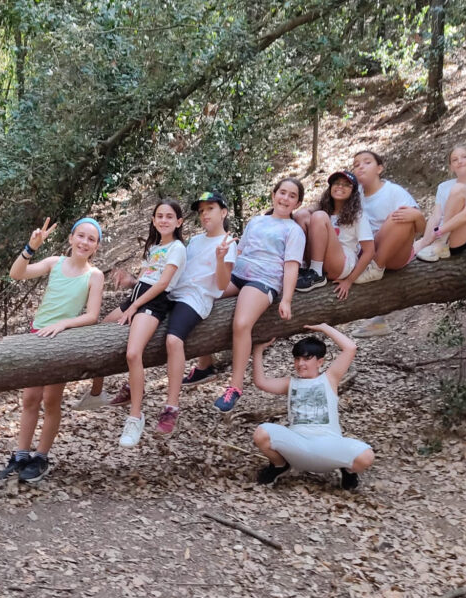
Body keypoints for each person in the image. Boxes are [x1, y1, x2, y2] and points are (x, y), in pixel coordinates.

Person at [0, 217, 105, 483]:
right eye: (81, 236)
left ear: (96, 246)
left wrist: (63, 324)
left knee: (51, 400)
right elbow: (17, 274)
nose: (84, 242)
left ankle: (41, 457)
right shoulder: (55, 263)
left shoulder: (95, 275)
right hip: (38, 335)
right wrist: (30, 248)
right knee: (30, 398)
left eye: (91, 239)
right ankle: (21, 455)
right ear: (71, 238)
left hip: (61, 341)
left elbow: (92, 315)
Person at [79, 200, 186, 447]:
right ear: (153, 220)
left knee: (133, 353)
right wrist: (130, 282)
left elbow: (162, 284)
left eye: (169, 216)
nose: (164, 220)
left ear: (179, 222)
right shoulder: (155, 247)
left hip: (153, 303)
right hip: (137, 298)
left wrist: (135, 307)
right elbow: (147, 279)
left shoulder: (178, 248)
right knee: (101, 332)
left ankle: (135, 417)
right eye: (159, 216)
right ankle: (96, 393)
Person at [212, 177, 305, 413]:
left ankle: (235, 387)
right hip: (238, 273)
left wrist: (286, 299)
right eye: (282, 192)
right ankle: (204, 366)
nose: (285, 198)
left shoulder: (294, 230)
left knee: (242, 323)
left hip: (264, 279)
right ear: (274, 195)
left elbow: (291, 266)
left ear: (297, 203)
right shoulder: (256, 221)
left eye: (292, 196)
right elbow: (240, 251)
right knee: (202, 296)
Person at [251, 323, 373, 490]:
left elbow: (350, 348)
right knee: (261, 433)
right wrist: (258, 350)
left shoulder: (329, 379)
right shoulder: (290, 383)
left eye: (307, 359)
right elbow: (261, 382)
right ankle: (279, 466)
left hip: (328, 447)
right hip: (297, 446)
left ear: (320, 361)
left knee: (366, 456)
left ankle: (348, 471)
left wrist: (324, 327)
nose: (300, 363)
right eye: (297, 359)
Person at [154, 191, 236, 435]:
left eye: (210, 209)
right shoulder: (195, 241)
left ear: (223, 212)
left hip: (196, 298)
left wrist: (220, 259)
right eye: (201, 211)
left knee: (173, 340)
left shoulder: (228, 244)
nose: (204, 214)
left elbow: (222, 285)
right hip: (174, 293)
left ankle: (171, 407)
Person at [349, 151, 425, 337]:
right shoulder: (353, 195)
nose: (360, 167)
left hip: (394, 253)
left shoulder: (393, 191)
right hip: (366, 251)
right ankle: (377, 320)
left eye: (367, 162)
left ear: (379, 168)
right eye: (356, 165)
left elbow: (420, 228)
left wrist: (417, 216)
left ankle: (376, 267)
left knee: (400, 216)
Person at [294, 171, 376, 300]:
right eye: (336, 183)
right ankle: (303, 268)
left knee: (319, 216)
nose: (340, 186)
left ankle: (316, 274)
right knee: (301, 215)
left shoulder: (358, 216)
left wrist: (349, 281)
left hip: (341, 263)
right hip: (320, 258)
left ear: (353, 192)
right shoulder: (324, 209)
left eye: (346, 185)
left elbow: (369, 251)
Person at [414, 144, 466, 262]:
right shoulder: (443, 186)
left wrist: (438, 232)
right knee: (412, 250)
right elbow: (436, 216)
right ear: (451, 167)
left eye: (464, 157)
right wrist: (425, 241)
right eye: (455, 160)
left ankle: (441, 243)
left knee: (459, 189)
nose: (460, 161)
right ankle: (437, 244)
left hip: (461, 235)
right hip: (438, 234)